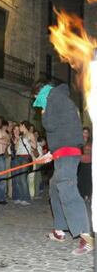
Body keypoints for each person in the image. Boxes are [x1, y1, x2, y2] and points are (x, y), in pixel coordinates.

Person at [33, 81, 93, 255]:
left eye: (37, 99)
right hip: (64, 151)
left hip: (67, 152)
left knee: (67, 188)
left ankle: (87, 236)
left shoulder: (52, 99)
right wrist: (51, 153)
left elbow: (50, 126)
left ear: (40, 93)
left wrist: (44, 112)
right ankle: (59, 231)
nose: (38, 103)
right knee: (54, 188)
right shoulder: (61, 99)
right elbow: (63, 131)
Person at [77, 127, 92, 201]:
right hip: (80, 163)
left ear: (89, 134)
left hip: (89, 163)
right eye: (83, 132)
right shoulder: (79, 142)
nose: (85, 134)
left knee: (88, 180)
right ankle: (82, 195)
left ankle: (88, 195)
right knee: (80, 180)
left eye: (86, 132)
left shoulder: (91, 142)